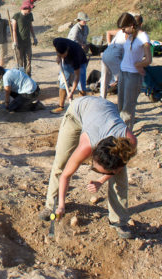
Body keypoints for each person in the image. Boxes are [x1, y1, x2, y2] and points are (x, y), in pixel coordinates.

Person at [41, 96, 137, 239]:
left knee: (121, 177)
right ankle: (51, 205)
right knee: (61, 163)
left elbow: (118, 168)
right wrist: (61, 205)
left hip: (104, 110)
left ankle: (118, 220)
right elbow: (66, 175)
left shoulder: (128, 143)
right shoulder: (86, 145)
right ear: (94, 153)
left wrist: (101, 180)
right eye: (95, 168)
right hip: (77, 112)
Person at [116, 12, 152, 130]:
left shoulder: (143, 37)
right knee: (120, 104)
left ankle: (126, 134)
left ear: (131, 25)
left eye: (124, 29)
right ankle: (120, 130)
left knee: (128, 107)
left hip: (133, 75)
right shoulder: (130, 36)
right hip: (123, 73)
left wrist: (139, 65)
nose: (123, 32)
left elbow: (148, 59)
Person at [51, 38, 88, 114]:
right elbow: (57, 49)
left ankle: (81, 110)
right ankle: (60, 106)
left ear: (67, 50)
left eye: (63, 55)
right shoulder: (56, 41)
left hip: (81, 63)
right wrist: (58, 56)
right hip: (66, 64)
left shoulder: (75, 57)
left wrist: (71, 92)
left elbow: (76, 77)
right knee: (63, 83)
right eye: (61, 55)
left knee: (81, 86)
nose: (63, 57)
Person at [11, 1, 37, 76]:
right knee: (20, 61)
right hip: (19, 43)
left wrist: (34, 37)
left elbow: (31, 27)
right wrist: (15, 42)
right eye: (29, 9)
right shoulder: (16, 16)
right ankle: (21, 77)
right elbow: (14, 30)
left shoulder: (30, 15)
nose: (30, 10)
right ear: (24, 8)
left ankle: (28, 76)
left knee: (29, 60)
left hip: (27, 42)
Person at [67, 11, 90, 94]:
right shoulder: (75, 29)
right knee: (73, 69)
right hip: (72, 50)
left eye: (86, 20)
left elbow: (85, 38)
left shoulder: (86, 28)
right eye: (83, 20)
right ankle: (69, 83)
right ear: (79, 20)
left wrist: (86, 45)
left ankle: (80, 87)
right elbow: (72, 41)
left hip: (81, 51)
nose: (85, 21)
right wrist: (81, 45)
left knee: (81, 69)